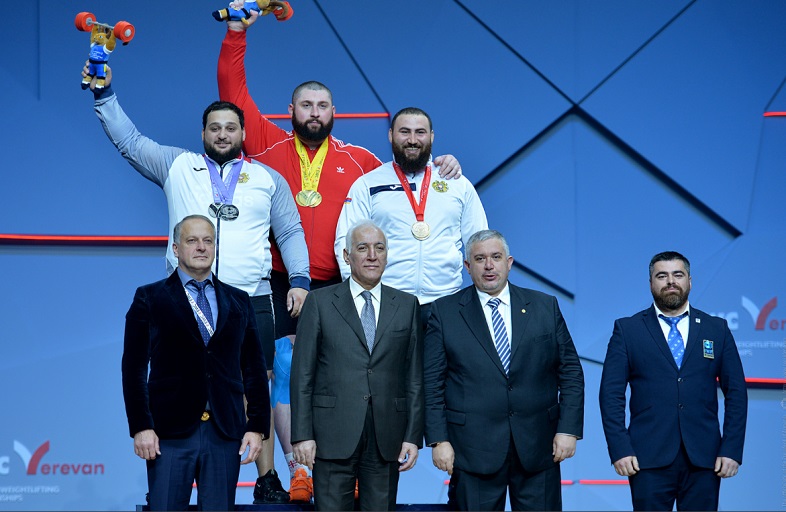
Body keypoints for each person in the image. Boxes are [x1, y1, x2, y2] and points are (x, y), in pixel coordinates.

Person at [217, 8, 461, 502]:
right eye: (306, 105)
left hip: (341, 283)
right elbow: (232, 92)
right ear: (291, 109)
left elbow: (405, 175)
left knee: (350, 375)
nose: (314, 112)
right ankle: (289, 472)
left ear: (334, 112)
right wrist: (235, 33)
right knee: (280, 367)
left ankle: (351, 462)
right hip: (282, 279)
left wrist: (442, 166)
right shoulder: (266, 144)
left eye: (323, 105)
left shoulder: (361, 161)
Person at [86, 68, 310, 504]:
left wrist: (299, 279)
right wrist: (104, 94)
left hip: (249, 298)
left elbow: (289, 231)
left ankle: (266, 476)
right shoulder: (177, 165)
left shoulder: (267, 178)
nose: (223, 134)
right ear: (203, 133)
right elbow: (129, 142)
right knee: (183, 377)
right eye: (215, 128)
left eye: (231, 128)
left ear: (243, 133)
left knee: (255, 384)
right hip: (186, 297)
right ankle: (177, 457)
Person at [423, 229, 584, 511]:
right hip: (472, 451)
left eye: (496, 257)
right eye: (480, 259)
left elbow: (570, 372)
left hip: (539, 447)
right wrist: (439, 440)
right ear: (467, 266)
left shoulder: (545, 306)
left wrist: (568, 430)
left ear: (509, 262)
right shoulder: (444, 312)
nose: (489, 265)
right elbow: (432, 383)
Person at [122, 215, 269, 511]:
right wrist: (141, 426)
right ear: (176, 249)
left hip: (224, 433)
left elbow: (254, 369)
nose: (201, 247)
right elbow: (133, 369)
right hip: (169, 433)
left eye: (208, 241)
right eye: (192, 240)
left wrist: (257, 426)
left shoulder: (239, 301)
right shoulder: (149, 297)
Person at [599, 251, 748, 511]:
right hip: (646, 458)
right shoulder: (627, 330)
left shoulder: (716, 329)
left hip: (705, 457)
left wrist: (731, 449)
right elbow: (610, 395)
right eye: (662, 276)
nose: (670, 281)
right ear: (651, 283)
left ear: (690, 281)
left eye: (677, 275)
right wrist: (620, 448)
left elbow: (736, 392)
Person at [290, 221, 423, 511]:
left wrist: (413, 436)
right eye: (363, 248)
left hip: (387, 437)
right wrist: (302, 434)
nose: (372, 256)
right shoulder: (319, 302)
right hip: (330, 435)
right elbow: (302, 375)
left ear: (387, 254)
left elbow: (414, 377)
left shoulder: (407, 305)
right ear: (346, 256)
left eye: (379, 248)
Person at [335, 107, 488, 328]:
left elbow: (480, 242)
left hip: (446, 301)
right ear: (391, 135)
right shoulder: (368, 184)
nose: (413, 140)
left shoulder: (457, 183)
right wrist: (357, 296)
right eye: (405, 132)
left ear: (432, 136)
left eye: (420, 132)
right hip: (387, 302)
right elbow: (346, 240)